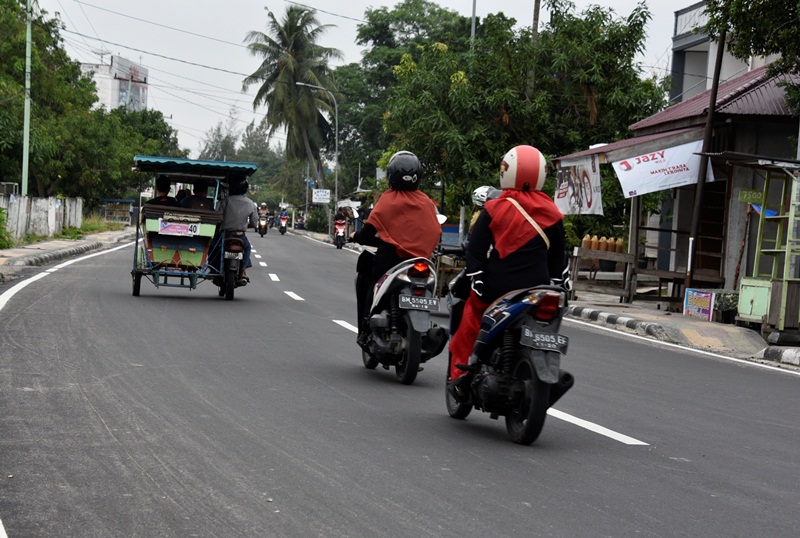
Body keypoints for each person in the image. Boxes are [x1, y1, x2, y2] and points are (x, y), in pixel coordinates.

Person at [447, 145, 566, 400]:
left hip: (497, 286)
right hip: (537, 288)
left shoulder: (494, 208)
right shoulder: (553, 212)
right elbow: (558, 257)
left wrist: (477, 278)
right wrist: (557, 283)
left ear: (506, 171)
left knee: (471, 316)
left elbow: (476, 251)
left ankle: (459, 373)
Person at [349, 150, 442, 343]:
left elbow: (367, 234)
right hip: (422, 262)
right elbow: (435, 234)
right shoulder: (427, 202)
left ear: (392, 175)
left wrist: (355, 236)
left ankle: (365, 329)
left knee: (368, 277)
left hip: (391, 262)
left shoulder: (388, 199)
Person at [219, 178, 258, 281]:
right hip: (240, 235)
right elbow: (254, 222)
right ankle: (243, 269)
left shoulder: (226, 200)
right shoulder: (250, 203)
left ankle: (214, 268)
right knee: (247, 248)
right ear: (245, 190)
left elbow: (219, 216)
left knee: (215, 247)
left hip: (226, 234)